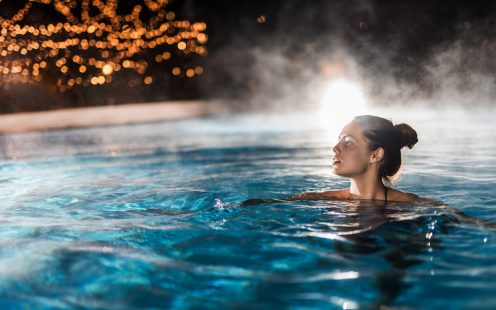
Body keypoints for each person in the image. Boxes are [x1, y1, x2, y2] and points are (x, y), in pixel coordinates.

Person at [241, 115, 419, 206]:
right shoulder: (314, 199)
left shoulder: (411, 204)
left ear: (376, 155)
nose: (335, 148)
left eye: (348, 142)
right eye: (339, 139)